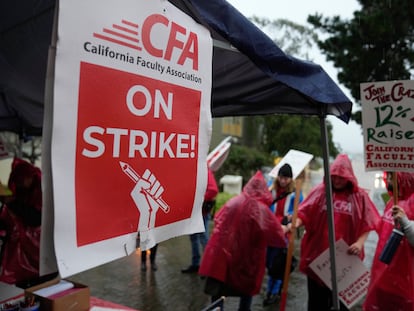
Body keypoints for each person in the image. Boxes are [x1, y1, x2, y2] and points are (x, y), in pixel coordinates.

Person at [295, 154, 380, 311]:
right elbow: (303, 214)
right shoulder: (320, 192)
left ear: (349, 177)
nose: (337, 180)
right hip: (318, 258)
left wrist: (360, 243)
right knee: (316, 304)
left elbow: (367, 224)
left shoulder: (359, 197)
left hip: (345, 261)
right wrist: (295, 223)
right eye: (334, 177)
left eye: (341, 177)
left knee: (341, 306)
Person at [199, 171, 287, 311]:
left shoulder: (233, 201)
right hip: (245, 260)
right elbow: (278, 238)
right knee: (246, 291)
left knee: (217, 294)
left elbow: (217, 219)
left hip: (221, 256)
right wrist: (284, 228)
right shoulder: (262, 210)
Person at [363, 172, 414, 311]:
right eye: (389, 176)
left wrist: (406, 223)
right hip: (382, 277)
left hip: (404, 284)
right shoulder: (392, 201)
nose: (389, 180)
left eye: (393, 177)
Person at [264, 163, 303, 306]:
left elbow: (300, 211)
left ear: (290, 179)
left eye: (286, 178)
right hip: (270, 230)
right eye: (281, 177)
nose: (283, 180)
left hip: (284, 232)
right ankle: (271, 288)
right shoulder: (271, 188)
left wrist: (289, 223)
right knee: (269, 263)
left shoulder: (296, 193)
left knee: (279, 264)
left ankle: (273, 292)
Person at [0, 157, 42, 285]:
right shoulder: (24, 190)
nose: (18, 185)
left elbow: (35, 219)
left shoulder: (40, 191)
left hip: (36, 249)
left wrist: (12, 202)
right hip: (21, 248)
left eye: (20, 181)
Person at [181, 168, 218, 273]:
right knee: (194, 238)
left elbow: (213, 190)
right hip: (193, 212)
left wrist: (197, 199)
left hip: (200, 212)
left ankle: (208, 266)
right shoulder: (191, 170)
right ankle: (196, 264)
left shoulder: (203, 169)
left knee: (203, 238)